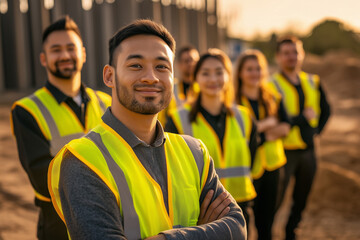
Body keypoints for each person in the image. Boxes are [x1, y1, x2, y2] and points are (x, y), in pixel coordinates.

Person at [48, 19, 246, 240]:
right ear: (109, 76)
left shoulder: (194, 152)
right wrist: (204, 232)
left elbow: (237, 228)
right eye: (136, 65)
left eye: (162, 66)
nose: (151, 77)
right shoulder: (83, 160)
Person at [10, 16, 111, 240]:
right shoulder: (27, 110)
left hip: (112, 223)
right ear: (44, 59)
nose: (65, 55)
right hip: (59, 227)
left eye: (70, 48)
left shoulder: (109, 104)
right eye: (56, 50)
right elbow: (41, 177)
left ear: (83, 54)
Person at [165, 48, 258, 230]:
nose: (213, 79)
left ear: (228, 76)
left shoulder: (244, 117)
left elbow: (251, 158)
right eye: (205, 73)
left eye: (218, 72)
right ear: (196, 78)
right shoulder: (178, 119)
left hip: (240, 204)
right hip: (199, 210)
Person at [268, 36, 331, 240]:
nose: (291, 57)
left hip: (309, 151)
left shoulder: (313, 81)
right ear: (278, 57)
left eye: (295, 52)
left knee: (301, 200)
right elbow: (274, 120)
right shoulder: (270, 85)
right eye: (286, 53)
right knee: (274, 202)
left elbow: (326, 110)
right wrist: (303, 119)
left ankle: (291, 234)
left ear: (302, 55)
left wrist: (316, 131)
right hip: (283, 151)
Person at [234, 49, 290, 240]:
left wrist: (257, 131)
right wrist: (266, 125)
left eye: (258, 68)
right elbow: (241, 134)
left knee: (267, 224)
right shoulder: (232, 100)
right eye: (249, 69)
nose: (254, 73)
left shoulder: (272, 96)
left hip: (273, 167)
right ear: (240, 72)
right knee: (245, 226)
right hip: (246, 169)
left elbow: (286, 127)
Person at [157, 46, 200, 125]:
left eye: (194, 61)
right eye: (187, 61)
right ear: (179, 64)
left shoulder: (204, 89)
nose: (191, 64)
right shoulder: (169, 88)